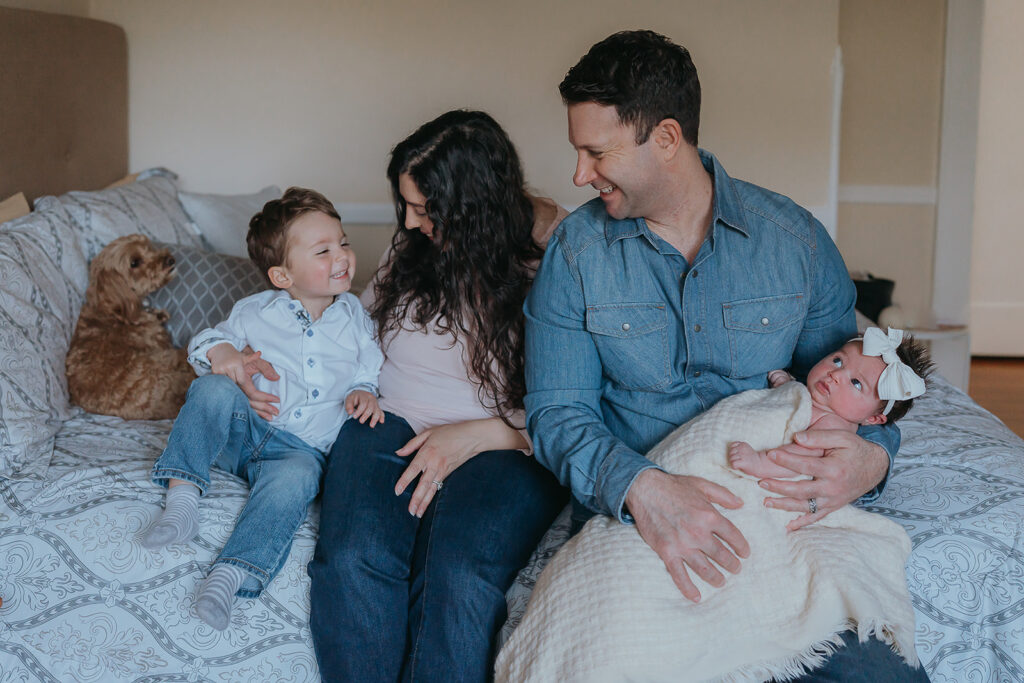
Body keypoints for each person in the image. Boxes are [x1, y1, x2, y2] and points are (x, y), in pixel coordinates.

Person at [524, 30, 929, 679]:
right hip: (641, 517)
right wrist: (645, 491)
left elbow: (858, 381)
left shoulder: (794, 242)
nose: (579, 175)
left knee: (877, 674)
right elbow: (556, 414)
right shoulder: (576, 255)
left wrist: (875, 458)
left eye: (595, 152)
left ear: (665, 138)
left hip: (782, 527)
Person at [300, 110, 568, 682]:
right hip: (386, 417)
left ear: (473, 205)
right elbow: (354, 329)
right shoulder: (413, 249)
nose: (414, 221)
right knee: (352, 561)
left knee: (458, 573)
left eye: (428, 209)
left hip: (504, 442)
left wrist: (485, 434)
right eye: (407, 206)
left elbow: (581, 400)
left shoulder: (553, 262)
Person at [141, 187, 384, 631]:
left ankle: (230, 575)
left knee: (299, 479)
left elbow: (370, 365)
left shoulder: (354, 317)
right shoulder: (254, 312)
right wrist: (226, 356)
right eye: (324, 250)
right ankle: (182, 500)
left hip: (299, 450)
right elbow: (204, 343)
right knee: (213, 388)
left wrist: (365, 390)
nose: (343, 256)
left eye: (344, 242)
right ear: (282, 276)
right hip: (245, 431)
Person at [729, 327, 933, 526]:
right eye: (838, 361)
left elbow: (797, 459)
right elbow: (793, 398)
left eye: (856, 383)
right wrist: (785, 384)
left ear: (873, 419)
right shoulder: (817, 400)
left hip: (770, 475)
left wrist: (758, 461)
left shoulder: (833, 425)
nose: (836, 374)